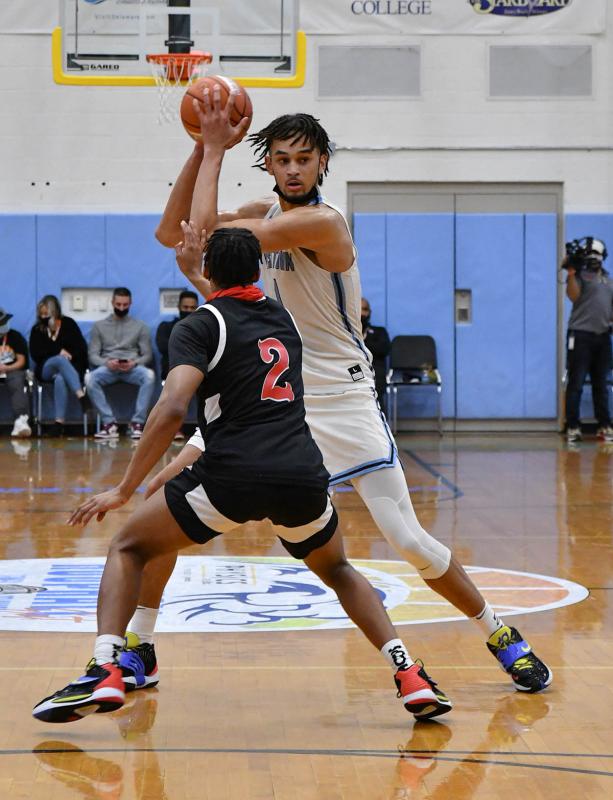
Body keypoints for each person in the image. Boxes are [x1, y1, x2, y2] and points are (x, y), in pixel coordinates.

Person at [152, 94, 552, 694]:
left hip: (342, 400)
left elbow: (206, 238)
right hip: (275, 401)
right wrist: (196, 149)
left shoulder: (323, 223)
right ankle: (135, 648)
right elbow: (172, 232)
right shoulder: (262, 210)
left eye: (304, 160)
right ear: (268, 165)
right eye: (282, 159)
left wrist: (214, 149)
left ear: (322, 164)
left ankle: (500, 633)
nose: (292, 170)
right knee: (164, 508)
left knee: (410, 542)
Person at [32, 225, 451, 724]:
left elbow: (170, 408)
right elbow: (234, 310)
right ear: (258, 271)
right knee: (338, 570)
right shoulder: (285, 320)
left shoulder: (197, 326)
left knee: (130, 545)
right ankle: (409, 673)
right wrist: (199, 269)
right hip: (301, 473)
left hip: (233, 475)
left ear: (208, 271)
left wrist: (123, 488)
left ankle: (105, 668)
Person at [87, 288, 155, 440]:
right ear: (112, 303)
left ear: (130, 303)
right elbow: (92, 355)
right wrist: (106, 363)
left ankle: (137, 424)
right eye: (118, 304)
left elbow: (147, 355)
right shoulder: (99, 326)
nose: (121, 308)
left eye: (125, 305)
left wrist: (134, 363)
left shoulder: (141, 326)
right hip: (108, 368)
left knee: (149, 376)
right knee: (89, 379)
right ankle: (109, 423)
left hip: (132, 368)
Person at [563, 237, 613, 443]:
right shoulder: (580, 277)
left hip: (602, 337)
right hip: (580, 335)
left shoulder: (608, 281)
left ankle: (604, 425)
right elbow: (573, 296)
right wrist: (571, 273)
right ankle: (573, 426)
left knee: (601, 384)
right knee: (576, 383)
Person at [29, 294, 89, 437]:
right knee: (60, 359)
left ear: (55, 312)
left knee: (61, 378)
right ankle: (81, 395)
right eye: (41, 314)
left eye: (47, 314)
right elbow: (36, 353)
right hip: (46, 368)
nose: (44, 317)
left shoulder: (69, 324)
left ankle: (59, 423)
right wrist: (58, 351)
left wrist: (70, 355)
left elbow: (81, 348)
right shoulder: (37, 329)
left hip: (69, 369)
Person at [0, 308, 31, 438]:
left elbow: (22, 361)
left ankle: (21, 421)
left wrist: (6, 368)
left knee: (18, 381)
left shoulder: (15, 337)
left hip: (12, 370)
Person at [156, 290, 199, 380]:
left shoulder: (202, 330)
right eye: (185, 307)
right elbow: (163, 347)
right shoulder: (165, 327)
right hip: (171, 376)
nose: (189, 310)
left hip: (197, 377)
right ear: (179, 307)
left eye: (192, 308)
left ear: (197, 308)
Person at [361, 297, 391, 411]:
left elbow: (384, 349)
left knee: (377, 409)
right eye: (358, 309)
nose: (361, 313)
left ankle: (379, 427)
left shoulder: (379, 332)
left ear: (369, 312)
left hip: (375, 377)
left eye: (364, 309)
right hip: (353, 375)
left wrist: (362, 343)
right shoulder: (346, 333)